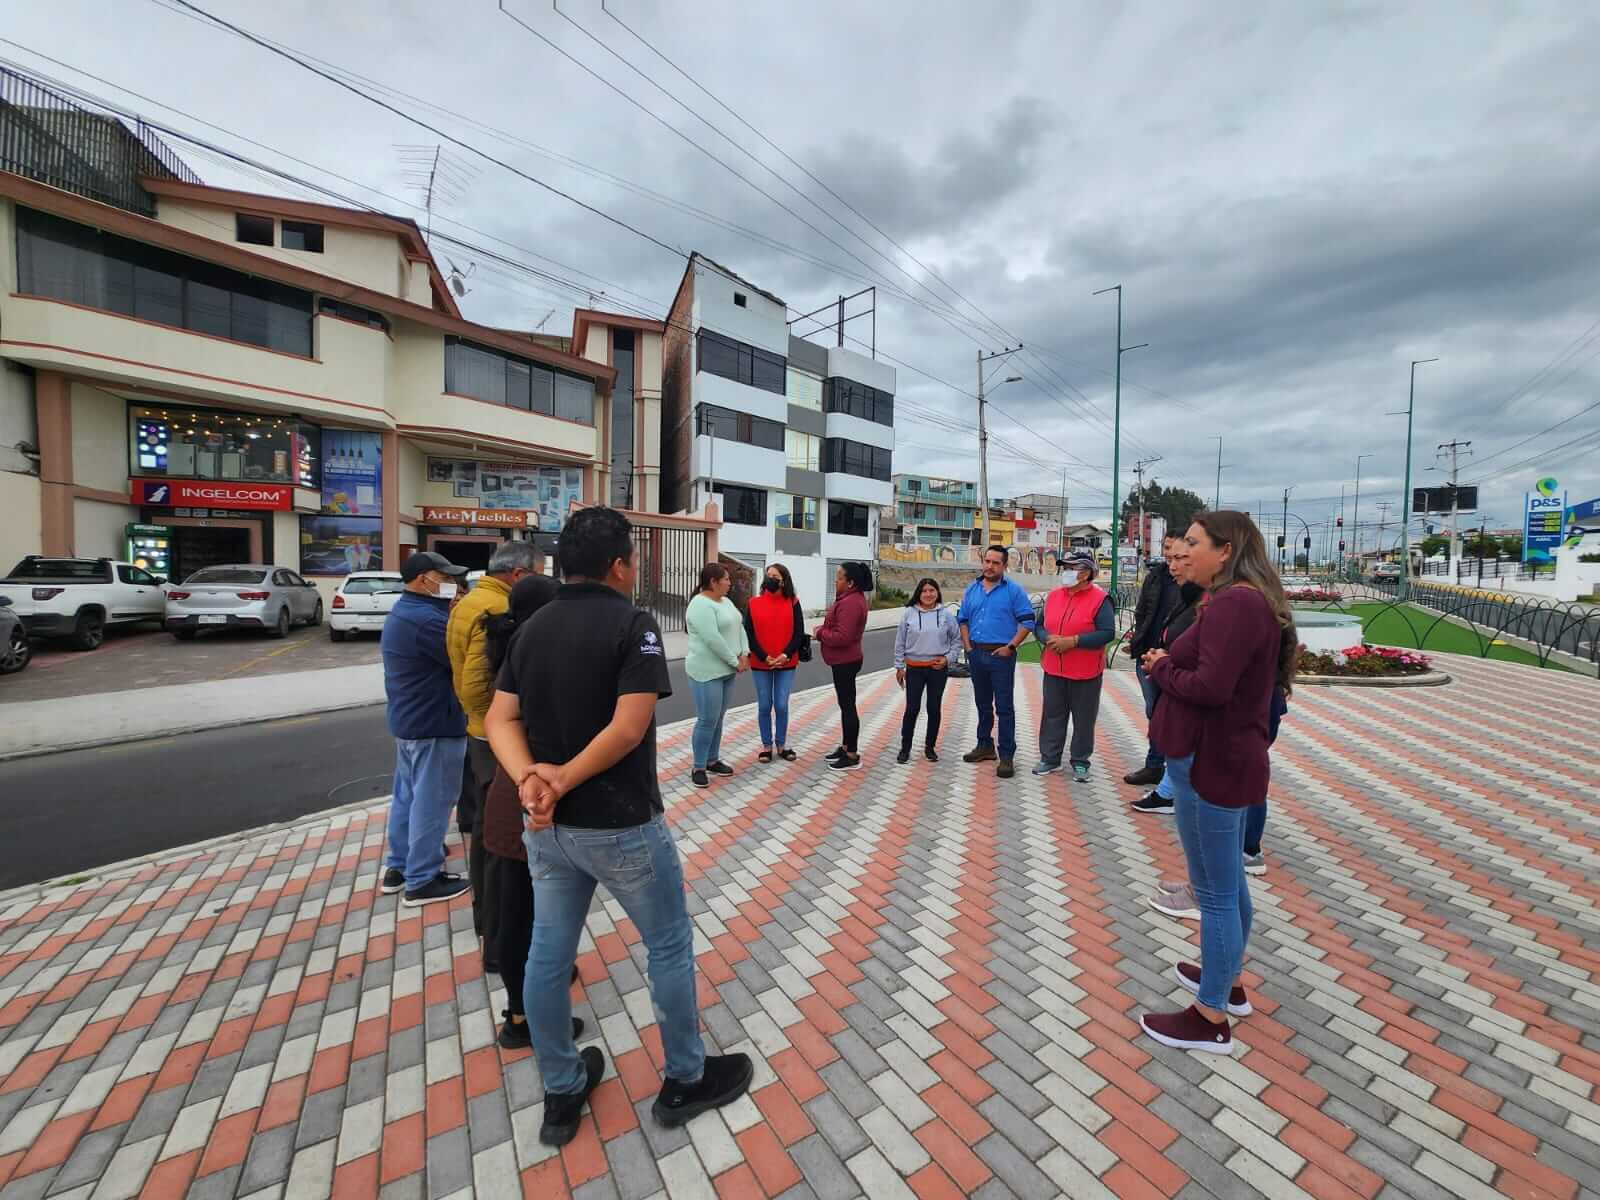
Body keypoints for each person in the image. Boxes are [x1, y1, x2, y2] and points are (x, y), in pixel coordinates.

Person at [484, 506, 752, 1147]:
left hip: (547, 831)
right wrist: (556, 782)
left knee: (547, 957)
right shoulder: (633, 625)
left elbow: (500, 720)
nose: (636, 568)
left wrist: (532, 784)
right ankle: (684, 1078)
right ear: (617, 565)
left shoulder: (531, 625)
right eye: (633, 558)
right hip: (622, 825)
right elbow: (629, 728)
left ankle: (563, 1088)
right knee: (667, 946)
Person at [1137, 511, 1297, 1054]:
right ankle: (1224, 983)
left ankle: (1209, 1018)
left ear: (1225, 551)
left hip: (1211, 765)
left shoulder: (1235, 604)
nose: (1184, 549)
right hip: (1216, 761)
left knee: (1215, 893)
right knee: (1229, 887)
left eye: (1194, 542)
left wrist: (1160, 666)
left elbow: (1209, 687)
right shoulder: (1243, 601)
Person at [476, 573, 584, 1048]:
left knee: (517, 908)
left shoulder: (509, 644)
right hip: (525, 801)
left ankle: (527, 1000)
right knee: (525, 915)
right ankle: (522, 1018)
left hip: (508, 799)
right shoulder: (536, 651)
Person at [447, 540, 542, 952]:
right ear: (519, 575)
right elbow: (474, 683)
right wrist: (496, 725)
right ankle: (496, 931)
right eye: (538, 572)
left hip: (479, 730)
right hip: (492, 737)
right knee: (497, 836)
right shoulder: (496, 610)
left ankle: (491, 924)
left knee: (489, 829)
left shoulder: (469, 600)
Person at [380, 551, 472, 908]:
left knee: (408, 796)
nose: (451, 584)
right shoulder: (426, 621)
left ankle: (400, 867)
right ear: (423, 579)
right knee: (432, 802)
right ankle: (422, 879)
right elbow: (462, 658)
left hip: (410, 721)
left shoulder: (408, 612)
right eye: (445, 577)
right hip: (435, 722)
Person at [1032, 552, 1114, 781]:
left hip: (1085, 671)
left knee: (1083, 718)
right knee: (1052, 715)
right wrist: (1047, 638)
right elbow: (1038, 626)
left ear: (1086, 573)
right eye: (1064, 567)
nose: (1066, 571)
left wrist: (1074, 641)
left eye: (1072, 567)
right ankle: (1050, 758)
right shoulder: (1053, 596)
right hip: (1054, 668)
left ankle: (1080, 760)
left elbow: (1107, 633)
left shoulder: (1100, 599)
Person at [957, 546, 1036, 778]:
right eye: (987, 561)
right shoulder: (972, 589)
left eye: (995, 563)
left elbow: (1028, 622)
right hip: (976, 654)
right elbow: (962, 619)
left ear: (1004, 566)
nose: (989, 566)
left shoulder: (1014, 591)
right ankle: (984, 745)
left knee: (1004, 707)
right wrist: (968, 647)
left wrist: (1010, 647)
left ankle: (1007, 755)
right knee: (982, 704)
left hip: (1001, 656)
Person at [1124, 534, 1184, 786]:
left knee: (1172, 715)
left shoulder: (1194, 582)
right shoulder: (1156, 575)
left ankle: (1174, 772)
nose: (1168, 553)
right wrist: (1139, 639)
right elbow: (1142, 610)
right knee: (1154, 711)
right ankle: (1155, 765)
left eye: (1174, 548)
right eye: (1166, 547)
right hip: (1147, 655)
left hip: (1175, 660)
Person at [684, 563, 748, 788]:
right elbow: (712, 639)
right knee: (706, 719)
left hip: (727, 671)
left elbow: (739, 627)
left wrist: (745, 653)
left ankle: (712, 760)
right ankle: (698, 766)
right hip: (707, 672)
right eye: (726, 579)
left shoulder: (726, 602)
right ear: (713, 582)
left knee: (718, 718)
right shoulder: (699, 605)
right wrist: (735, 661)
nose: (730, 583)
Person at [893, 578, 960, 763]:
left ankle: (930, 747)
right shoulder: (909, 614)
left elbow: (956, 641)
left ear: (937, 592)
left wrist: (948, 659)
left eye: (932, 590)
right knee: (912, 709)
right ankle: (905, 748)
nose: (928, 594)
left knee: (934, 708)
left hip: (937, 669)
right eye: (924, 591)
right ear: (918, 593)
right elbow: (900, 642)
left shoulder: (946, 615)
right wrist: (899, 666)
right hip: (914, 668)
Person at [743, 563, 804, 763]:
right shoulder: (753, 603)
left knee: (781, 705)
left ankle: (782, 744)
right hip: (761, 663)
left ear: (783, 580)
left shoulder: (793, 602)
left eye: (775, 576)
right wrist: (763, 656)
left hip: (786, 662)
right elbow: (749, 634)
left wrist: (785, 655)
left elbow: (798, 633)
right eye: (768, 575)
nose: (770, 578)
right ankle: (767, 746)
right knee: (764, 705)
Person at [815, 562, 871, 770]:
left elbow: (843, 636)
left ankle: (852, 754)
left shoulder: (851, 603)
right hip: (843, 660)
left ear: (850, 583)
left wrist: (820, 633)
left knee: (848, 707)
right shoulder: (849, 599)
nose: (835, 580)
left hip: (846, 660)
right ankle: (846, 745)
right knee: (845, 705)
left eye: (839, 577)